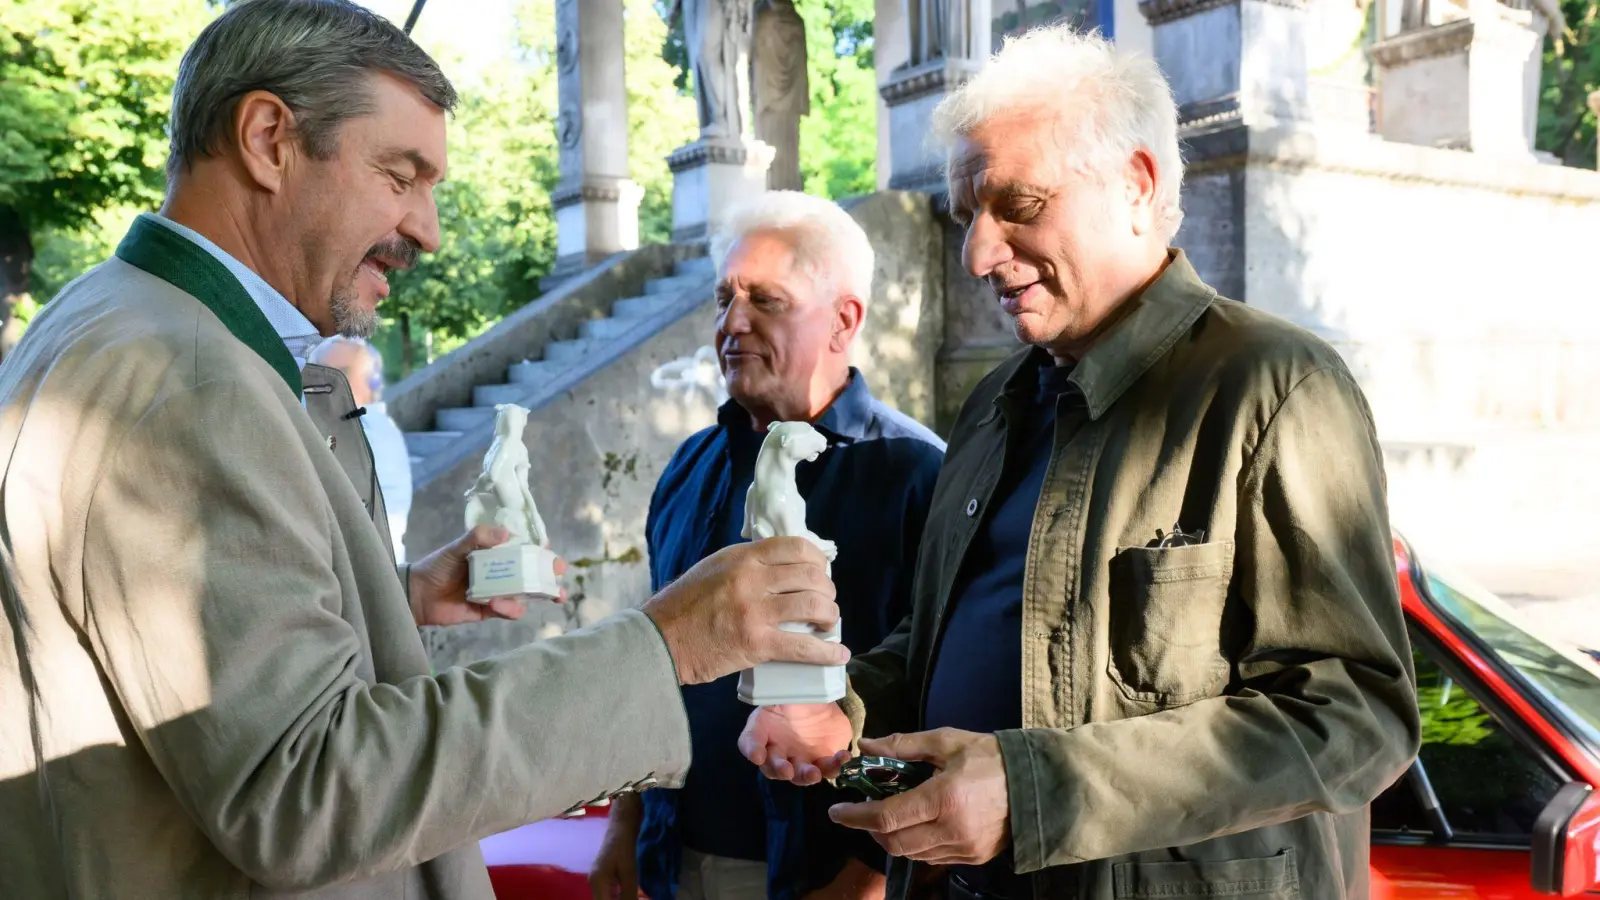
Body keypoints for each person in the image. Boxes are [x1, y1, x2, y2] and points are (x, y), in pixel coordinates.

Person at [0, 3, 847, 898]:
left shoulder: (112, 318)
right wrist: (666, 645)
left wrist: (391, 599)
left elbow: (193, 677)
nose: (430, 230)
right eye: (401, 176)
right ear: (267, 138)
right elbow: (306, 788)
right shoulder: (193, 380)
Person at [741, 25, 1421, 900]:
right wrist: (842, 705)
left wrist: (1034, 793)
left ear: (1136, 186)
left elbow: (1355, 714)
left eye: (1018, 206)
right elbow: (939, 639)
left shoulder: (1272, 387)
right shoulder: (994, 403)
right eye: (966, 217)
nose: (977, 254)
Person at [590, 192, 946, 900]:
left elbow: (949, 704)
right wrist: (623, 823)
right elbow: (656, 661)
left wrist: (869, 877)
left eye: (767, 300)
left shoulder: (918, 478)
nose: (732, 322)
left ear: (845, 321)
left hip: (827, 870)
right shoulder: (690, 469)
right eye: (724, 297)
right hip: (671, 858)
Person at [310, 336, 414, 561]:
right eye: (320, 372)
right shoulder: (379, 426)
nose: (325, 383)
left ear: (372, 382)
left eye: (341, 373)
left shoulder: (363, 429)